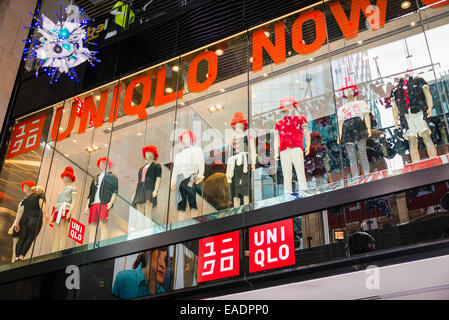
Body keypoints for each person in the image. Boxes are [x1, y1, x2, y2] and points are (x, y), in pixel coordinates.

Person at [13, 181, 50, 261]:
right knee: (29, 238)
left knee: (21, 239)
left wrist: (17, 224)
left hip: (24, 220)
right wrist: (46, 214)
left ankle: (16, 257)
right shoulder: (41, 195)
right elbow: (41, 204)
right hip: (34, 220)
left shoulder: (25, 199)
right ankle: (21, 257)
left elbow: (20, 212)